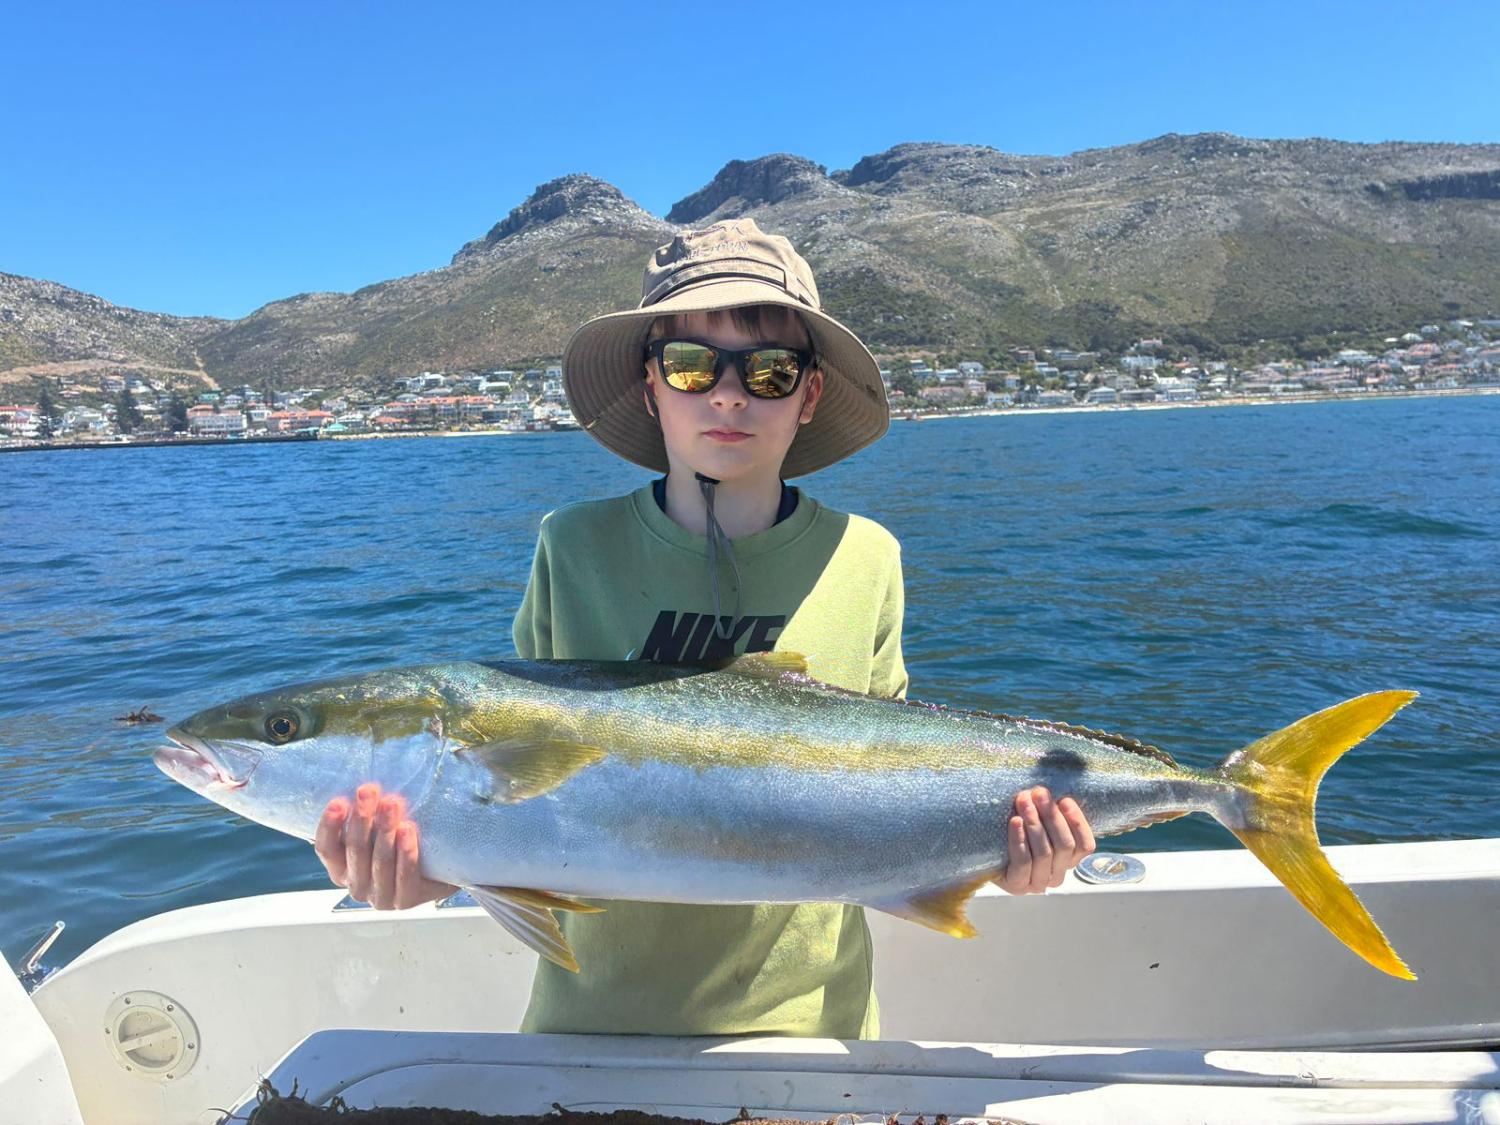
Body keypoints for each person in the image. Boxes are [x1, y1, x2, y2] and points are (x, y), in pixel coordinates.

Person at [312, 218, 1096, 1037]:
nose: (727, 395)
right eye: (692, 365)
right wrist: (428, 868)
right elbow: (527, 800)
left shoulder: (867, 556)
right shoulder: (572, 546)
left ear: (809, 394)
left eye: (768, 370)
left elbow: (892, 780)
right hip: (591, 1031)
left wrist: (1011, 852)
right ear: (652, 385)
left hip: (816, 1032)